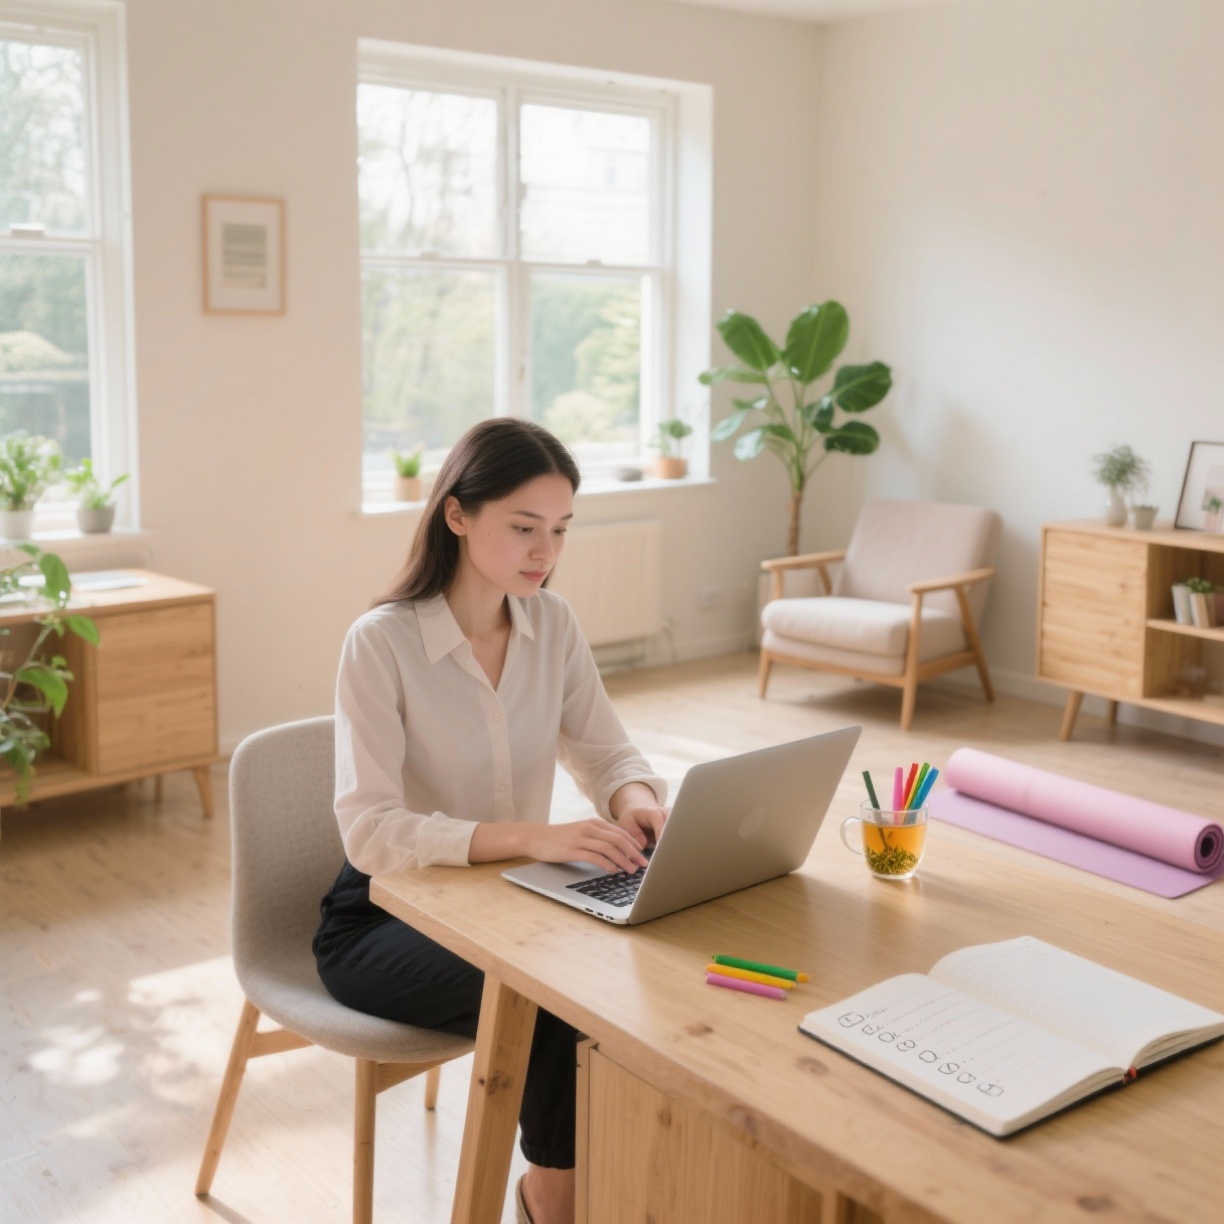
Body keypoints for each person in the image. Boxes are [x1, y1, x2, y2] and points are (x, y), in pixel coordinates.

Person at [313, 418, 669, 1224]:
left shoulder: (554, 625)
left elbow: (608, 753)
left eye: (560, 529)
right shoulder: (381, 643)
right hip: (382, 917)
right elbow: (369, 832)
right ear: (458, 515)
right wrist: (533, 838)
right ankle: (552, 1201)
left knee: (637, 968)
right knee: (555, 998)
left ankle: (631, 1181)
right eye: (524, 527)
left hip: (509, 903)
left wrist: (637, 803)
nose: (546, 551)